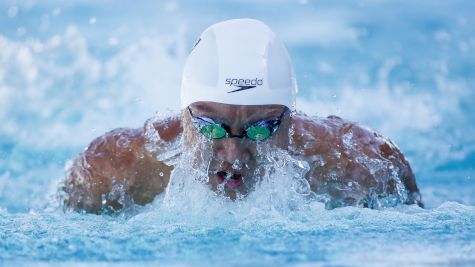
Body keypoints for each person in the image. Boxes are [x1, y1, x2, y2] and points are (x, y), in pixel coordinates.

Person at [61, 19, 422, 214]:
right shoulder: (112, 168)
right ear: (185, 117)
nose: (232, 156)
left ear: (290, 121)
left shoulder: (360, 162)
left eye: (261, 129)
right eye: (210, 128)